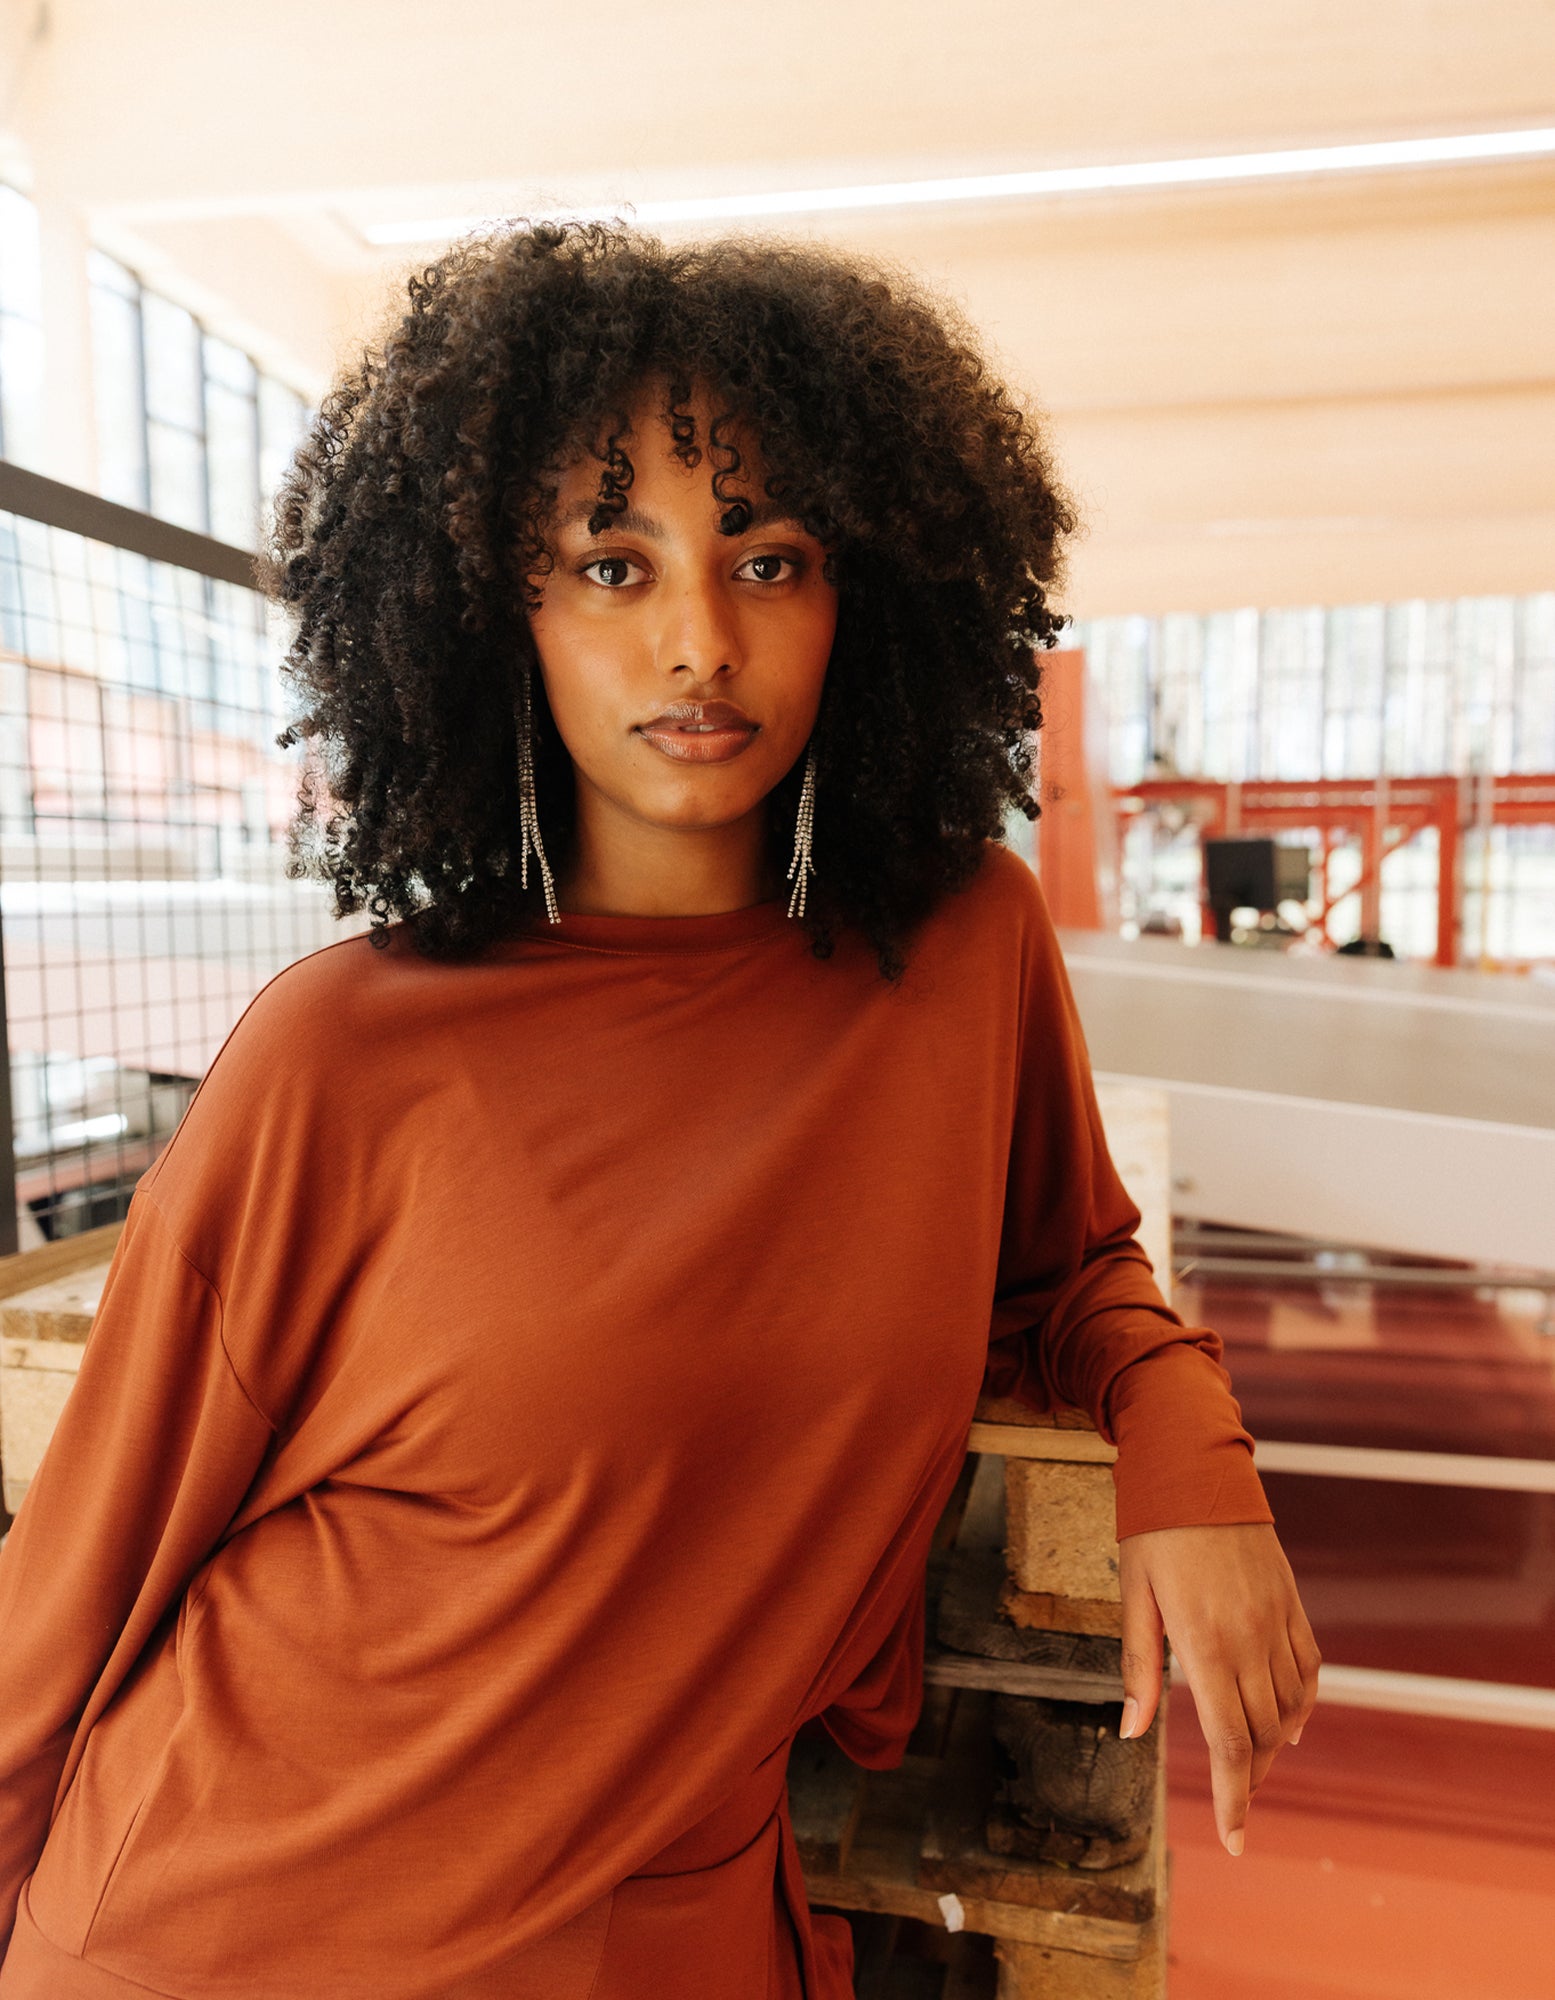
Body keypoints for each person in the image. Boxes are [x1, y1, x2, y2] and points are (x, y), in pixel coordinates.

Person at [0, 222, 1319, 1999]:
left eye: (768, 559)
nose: (700, 640)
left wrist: (1195, 1461)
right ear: (498, 610)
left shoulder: (958, 951)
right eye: (613, 565)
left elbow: (1072, 1264)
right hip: (229, 1925)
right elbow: (78, 1583)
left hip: (671, 1926)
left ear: (870, 598)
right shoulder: (340, 1059)